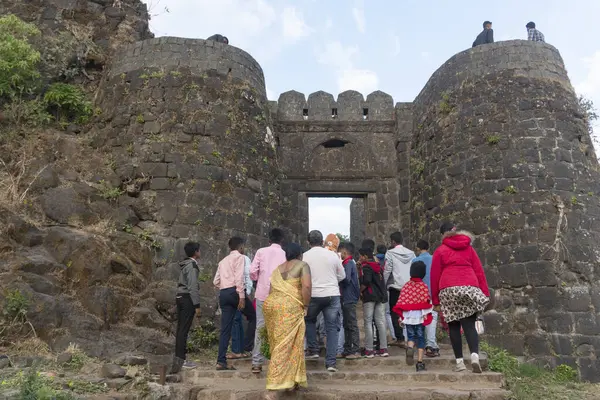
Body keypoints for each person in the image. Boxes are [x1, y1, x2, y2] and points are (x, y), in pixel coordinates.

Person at [430, 222, 490, 374]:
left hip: (448, 288)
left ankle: (460, 362)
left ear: (442, 234)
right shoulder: (469, 248)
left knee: (453, 325)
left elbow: (434, 275)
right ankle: (475, 356)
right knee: (469, 325)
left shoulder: (440, 250)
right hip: (469, 285)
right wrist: (485, 292)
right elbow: (479, 271)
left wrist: (435, 300)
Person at [263, 243, 311, 395]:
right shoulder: (302, 265)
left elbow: (271, 290)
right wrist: (306, 305)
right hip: (289, 307)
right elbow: (307, 286)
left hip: (271, 306)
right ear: (299, 254)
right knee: (285, 345)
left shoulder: (278, 269)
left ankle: (292, 380)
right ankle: (273, 386)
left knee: (283, 342)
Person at [303, 230, 346, 372]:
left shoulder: (304, 257)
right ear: (322, 242)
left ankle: (314, 349)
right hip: (331, 294)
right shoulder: (332, 255)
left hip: (313, 294)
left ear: (308, 242)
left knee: (309, 320)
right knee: (332, 328)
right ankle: (331, 363)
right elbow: (342, 275)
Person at [214, 237, 256, 371]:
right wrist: (241, 296)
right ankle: (247, 347)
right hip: (235, 292)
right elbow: (239, 277)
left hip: (224, 293)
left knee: (225, 328)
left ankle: (221, 361)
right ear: (241, 247)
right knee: (253, 317)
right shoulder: (241, 258)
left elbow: (215, 281)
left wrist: (225, 286)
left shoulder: (223, 261)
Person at [249, 228, 286, 373]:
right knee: (279, 328)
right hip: (279, 294)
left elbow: (252, 272)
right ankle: (277, 361)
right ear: (282, 240)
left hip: (262, 294)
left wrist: (259, 279)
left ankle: (257, 362)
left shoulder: (261, 251)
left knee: (260, 326)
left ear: (269, 239)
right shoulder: (285, 254)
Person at [393, 261, 433, 372]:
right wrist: (425, 314)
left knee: (410, 336)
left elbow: (401, 301)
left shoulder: (406, 286)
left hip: (408, 316)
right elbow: (426, 301)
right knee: (420, 338)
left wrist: (401, 317)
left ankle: (410, 348)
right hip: (419, 316)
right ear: (423, 273)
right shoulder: (423, 286)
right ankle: (420, 363)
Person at [172, 242, 202, 372]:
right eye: (199, 250)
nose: (200, 252)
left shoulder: (185, 264)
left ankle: (178, 358)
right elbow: (192, 286)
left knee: (180, 329)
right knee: (183, 329)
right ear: (196, 252)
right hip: (187, 298)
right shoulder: (192, 265)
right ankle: (181, 359)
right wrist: (197, 305)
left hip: (180, 297)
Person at [384, 232, 415, 347]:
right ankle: (410, 338)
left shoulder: (390, 253)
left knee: (395, 313)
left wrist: (384, 284)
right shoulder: (411, 253)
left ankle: (400, 338)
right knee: (409, 312)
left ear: (393, 241)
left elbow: (387, 270)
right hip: (409, 286)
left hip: (395, 287)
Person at [359, 247, 389, 358]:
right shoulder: (378, 266)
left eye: (361, 256)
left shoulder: (366, 267)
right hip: (380, 297)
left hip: (370, 297)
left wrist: (360, 290)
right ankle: (383, 348)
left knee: (368, 322)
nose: (360, 258)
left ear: (365, 257)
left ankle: (369, 349)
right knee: (380, 322)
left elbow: (366, 281)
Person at [414, 239, 439, 358]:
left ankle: (421, 343)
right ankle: (431, 345)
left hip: (419, 292)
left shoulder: (415, 260)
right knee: (432, 317)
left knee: (420, 318)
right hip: (432, 292)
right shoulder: (434, 259)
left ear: (418, 248)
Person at [228, 254, 254, 359]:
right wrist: (246, 291)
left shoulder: (227, 260)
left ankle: (240, 349)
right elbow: (248, 275)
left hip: (233, 292)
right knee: (237, 320)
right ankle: (241, 349)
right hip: (239, 293)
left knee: (237, 320)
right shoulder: (243, 258)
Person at [338, 242, 360, 359]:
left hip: (349, 297)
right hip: (346, 297)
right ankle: (347, 349)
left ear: (344, 252)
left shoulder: (349, 263)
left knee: (352, 324)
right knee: (347, 324)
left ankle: (355, 350)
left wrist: (337, 276)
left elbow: (346, 279)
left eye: (340, 252)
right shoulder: (348, 263)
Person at [376, 245, 396, 344]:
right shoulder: (389, 259)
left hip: (378, 289)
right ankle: (394, 335)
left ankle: (378, 337)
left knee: (378, 315)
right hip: (389, 287)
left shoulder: (375, 259)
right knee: (388, 313)